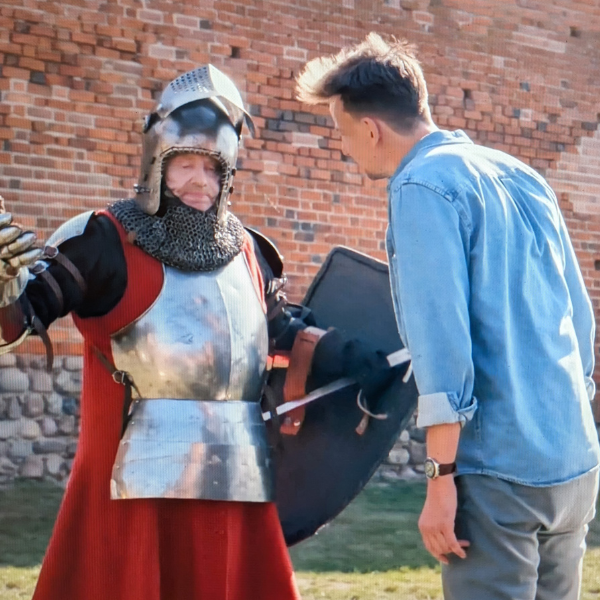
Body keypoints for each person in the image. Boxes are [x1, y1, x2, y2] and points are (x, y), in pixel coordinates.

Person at [296, 32, 600, 600]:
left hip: (498, 470)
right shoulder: (523, 175)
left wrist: (439, 480)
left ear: (371, 129)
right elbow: (578, 320)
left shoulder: (420, 186)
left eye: (341, 132)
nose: (344, 149)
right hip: (574, 461)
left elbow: (443, 346)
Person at [0, 65, 318, 600]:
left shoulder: (251, 251)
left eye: (213, 168)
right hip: (132, 482)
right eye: (185, 164)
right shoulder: (103, 240)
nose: (199, 181)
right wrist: (5, 286)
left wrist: (344, 350)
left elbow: (277, 333)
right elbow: (19, 324)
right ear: (157, 163)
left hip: (235, 474)